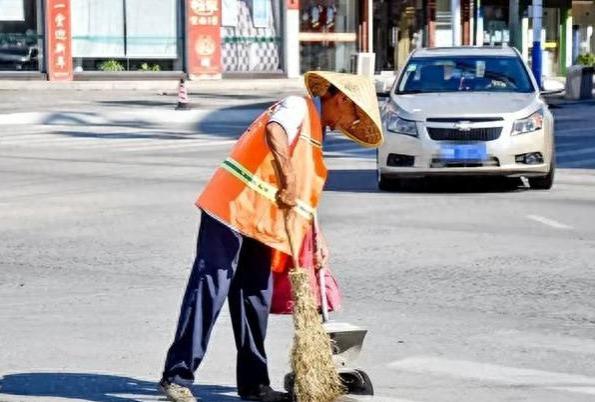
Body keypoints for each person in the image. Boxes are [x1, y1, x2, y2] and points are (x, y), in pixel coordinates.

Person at [159, 72, 383, 402]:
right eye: (353, 116)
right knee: (210, 289)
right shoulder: (297, 107)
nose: (348, 124)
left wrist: (316, 241)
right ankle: (176, 376)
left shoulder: (316, 141)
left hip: (262, 227)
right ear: (342, 99)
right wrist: (288, 177)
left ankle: (254, 386)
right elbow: (273, 130)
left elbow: (304, 204)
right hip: (231, 209)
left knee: (255, 300)